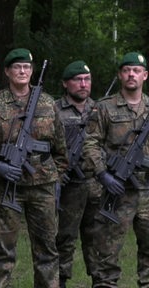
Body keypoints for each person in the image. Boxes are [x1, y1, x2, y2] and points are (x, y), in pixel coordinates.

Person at [0, 48, 67, 287]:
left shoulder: (47, 103)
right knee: (2, 250)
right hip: (6, 187)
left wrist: (54, 178)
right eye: (17, 66)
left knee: (47, 249)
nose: (23, 71)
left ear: (32, 71)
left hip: (42, 187)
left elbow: (60, 149)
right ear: (6, 72)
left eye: (27, 67)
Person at [82, 52, 149, 287]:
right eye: (127, 70)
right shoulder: (104, 107)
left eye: (137, 70)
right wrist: (102, 174)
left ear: (145, 75)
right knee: (106, 256)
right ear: (120, 75)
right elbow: (90, 142)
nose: (132, 74)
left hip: (147, 192)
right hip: (116, 191)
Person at [54, 60, 102, 288]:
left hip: (97, 184)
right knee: (65, 237)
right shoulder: (54, 110)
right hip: (68, 185)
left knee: (97, 238)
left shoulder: (101, 109)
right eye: (78, 80)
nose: (83, 84)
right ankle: (61, 280)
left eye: (87, 79)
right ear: (66, 84)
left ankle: (100, 280)